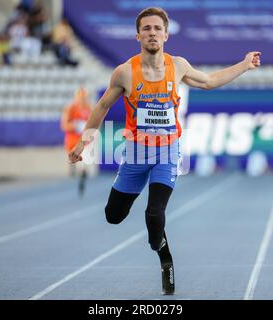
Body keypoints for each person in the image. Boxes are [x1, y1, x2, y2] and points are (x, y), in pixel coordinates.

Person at [68, 7, 261, 295]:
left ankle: (164, 256)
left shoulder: (178, 66)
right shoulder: (124, 73)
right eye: (146, 29)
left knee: (154, 214)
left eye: (157, 28)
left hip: (167, 152)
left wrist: (244, 65)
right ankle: (155, 237)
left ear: (166, 35)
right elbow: (102, 107)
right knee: (113, 215)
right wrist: (83, 142)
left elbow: (209, 81)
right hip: (135, 154)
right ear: (138, 36)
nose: (152, 33)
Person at [61, 87, 92, 196]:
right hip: (72, 139)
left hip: (83, 140)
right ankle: (75, 168)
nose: (82, 100)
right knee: (74, 158)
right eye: (80, 98)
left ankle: (82, 173)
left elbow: (94, 123)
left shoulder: (89, 108)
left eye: (84, 98)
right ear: (77, 97)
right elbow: (64, 125)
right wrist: (76, 125)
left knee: (83, 161)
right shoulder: (70, 108)